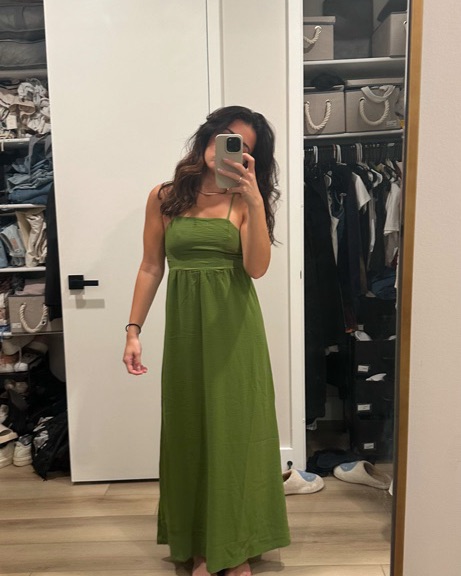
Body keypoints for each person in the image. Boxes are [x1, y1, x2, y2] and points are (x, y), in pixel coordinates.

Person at [123, 106, 290, 576]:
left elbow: (257, 268)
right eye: (226, 138)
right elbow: (151, 266)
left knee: (237, 434)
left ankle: (235, 545)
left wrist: (254, 200)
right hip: (185, 334)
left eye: (244, 147)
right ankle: (200, 545)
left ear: (252, 158)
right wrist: (133, 330)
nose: (230, 151)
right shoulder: (164, 197)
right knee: (190, 433)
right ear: (207, 139)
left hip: (235, 333)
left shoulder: (247, 200)